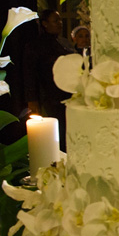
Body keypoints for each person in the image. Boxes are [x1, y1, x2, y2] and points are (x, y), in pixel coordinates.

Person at [22, 9, 73, 141]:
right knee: (56, 131)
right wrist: (32, 99)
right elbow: (30, 73)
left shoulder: (64, 43)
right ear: (45, 23)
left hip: (68, 94)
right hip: (49, 97)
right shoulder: (35, 46)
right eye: (55, 21)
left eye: (60, 20)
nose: (60, 23)